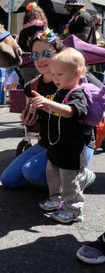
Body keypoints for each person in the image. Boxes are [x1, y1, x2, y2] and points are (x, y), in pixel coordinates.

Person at [0, 28, 99, 189]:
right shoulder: (32, 85)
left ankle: (81, 175)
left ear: (59, 53)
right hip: (49, 143)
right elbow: (32, 115)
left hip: (76, 145)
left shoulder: (76, 78)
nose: (40, 60)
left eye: (46, 53)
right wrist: (27, 119)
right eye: (35, 55)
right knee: (8, 180)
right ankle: (60, 179)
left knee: (31, 172)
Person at [30, 48, 92, 223]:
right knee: (53, 175)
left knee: (69, 181)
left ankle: (74, 210)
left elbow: (71, 111)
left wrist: (48, 102)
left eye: (60, 74)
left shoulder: (78, 93)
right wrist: (43, 106)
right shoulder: (60, 90)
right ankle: (56, 199)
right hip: (56, 145)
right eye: (54, 74)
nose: (55, 78)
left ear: (76, 73)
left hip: (71, 149)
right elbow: (55, 111)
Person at [17, 2, 47, 83]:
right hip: (44, 66)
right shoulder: (46, 30)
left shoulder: (23, 32)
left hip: (26, 68)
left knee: (29, 92)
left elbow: (20, 49)